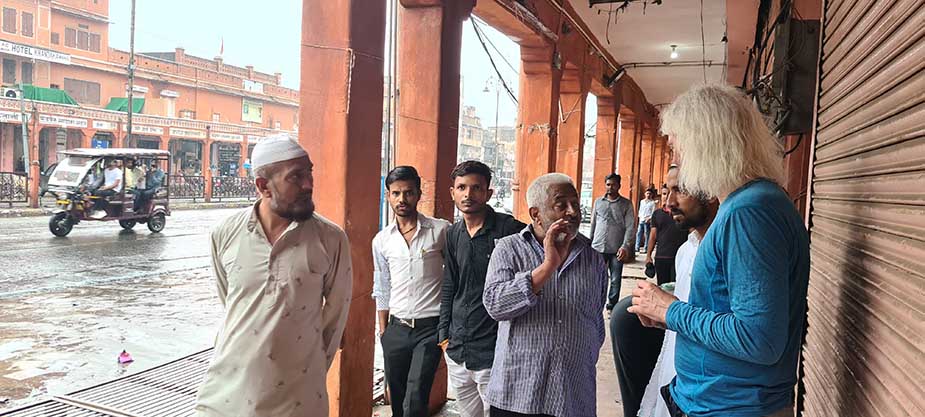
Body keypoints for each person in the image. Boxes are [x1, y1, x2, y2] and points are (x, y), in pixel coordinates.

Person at [628, 84, 810, 417]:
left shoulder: (749, 213)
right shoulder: (753, 203)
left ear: (705, 146)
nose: (678, 162)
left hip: (731, 406)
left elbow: (759, 339)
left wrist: (671, 311)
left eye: (680, 151)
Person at [194, 134, 353, 417]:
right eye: (296, 177)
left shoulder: (330, 239)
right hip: (225, 398)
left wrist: (305, 371)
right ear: (263, 186)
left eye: (309, 173)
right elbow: (233, 307)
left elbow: (334, 321)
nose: (308, 184)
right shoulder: (225, 234)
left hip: (299, 402)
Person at [483, 173, 606, 417]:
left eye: (575, 203)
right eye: (561, 204)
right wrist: (547, 266)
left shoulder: (593, 258)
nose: (572, 212)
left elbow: (594, 319)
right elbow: (496, 304)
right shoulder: (509, 249)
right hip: (518, 394)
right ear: (536, 214)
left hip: (573, 393)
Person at [438, 161, 525, 417]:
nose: (468, 194)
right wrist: (444, 335)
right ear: (452, 192)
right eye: (462, 187)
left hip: (494, 348)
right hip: (457, 347)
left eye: (476, 188)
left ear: (488, 193)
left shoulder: (509, 230)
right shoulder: (453, 234)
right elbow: (450, 285)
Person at [638, 166, 719, 417]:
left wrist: (670, 311)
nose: (669, 203)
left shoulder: (724, 250)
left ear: (710, 192)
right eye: (668, 191)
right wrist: (664, 316)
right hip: (675, 375)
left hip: (708, 390)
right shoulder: (686, 250)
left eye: (679, 190)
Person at [373, 166, 451, 417]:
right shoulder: (382, 240)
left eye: (408, 193)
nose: (402, 199)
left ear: (418, 194)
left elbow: (454, 276)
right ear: (388, 195)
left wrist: (447, 325)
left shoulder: (440, 231)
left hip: (429, 329)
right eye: (396, 193)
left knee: (416, 397)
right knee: (396, 398)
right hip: (396, 329)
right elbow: (382, 284)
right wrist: (384, 331)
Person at [588, 173, 636, 311]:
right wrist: (589, 243)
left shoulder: (626, 204)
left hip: (616, 249)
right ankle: (595, 303)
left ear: (619, 186)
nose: (610, 187)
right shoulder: (598, 202)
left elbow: (630, 227)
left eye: (613, 184)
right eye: (608, 184)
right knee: (596, 278)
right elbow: (593, 223)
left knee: (615, 279)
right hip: (598, 247)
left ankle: (611, 306)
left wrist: (625, 246)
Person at [645, 183, 689, 285]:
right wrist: (648, 255)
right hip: (662, 257)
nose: (667, 197)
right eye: (664, 194)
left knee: (677, 286)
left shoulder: (682, 213)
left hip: (679, 257)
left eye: (670, 193)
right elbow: (653, 236)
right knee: (663, 287)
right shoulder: (657, 214)